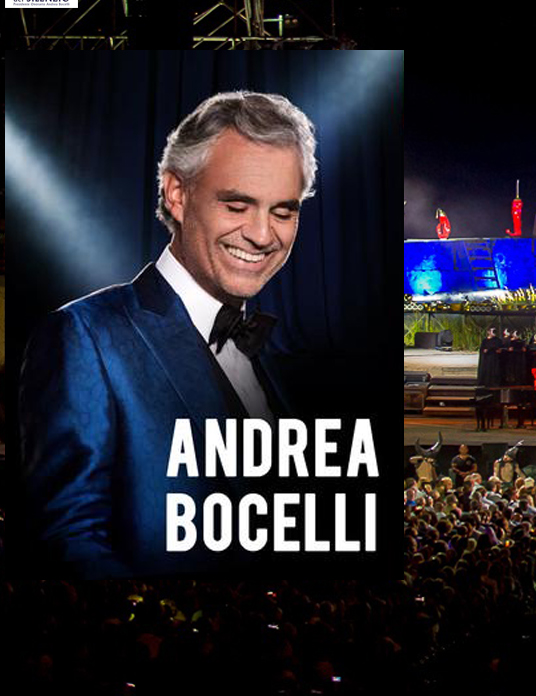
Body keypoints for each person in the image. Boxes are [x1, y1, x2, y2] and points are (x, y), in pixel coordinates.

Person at [20, 91, 316, 578]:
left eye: (283, 212)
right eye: (238, 205)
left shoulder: (272, 355)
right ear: (177, 195)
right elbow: (64, 538)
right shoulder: (84, 335)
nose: (263, 235)